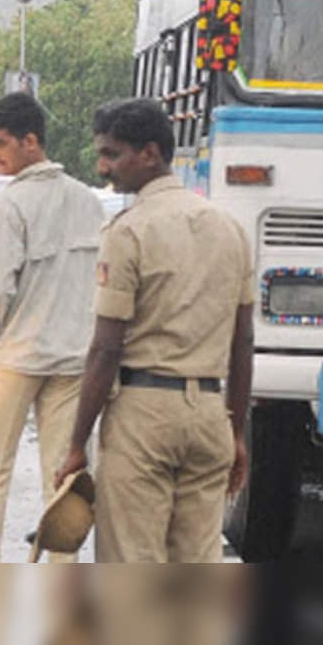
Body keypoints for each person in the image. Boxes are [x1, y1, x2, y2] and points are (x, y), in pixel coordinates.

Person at [54, 98, 254, 562]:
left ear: (150, 153)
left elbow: (106, 350)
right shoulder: (230, 229)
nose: (104, 167)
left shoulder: (128, 232)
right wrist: (236, 432)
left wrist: (76, 444)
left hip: (144, 415)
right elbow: (243, 342)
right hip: (209, 415)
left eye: (112, 154)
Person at [0, 92, 105, 561]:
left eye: (1, 143)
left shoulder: (11, 206)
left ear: (31, 141)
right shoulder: (87, 201)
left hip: (15, 359)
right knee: (63, 477)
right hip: (71, 358)